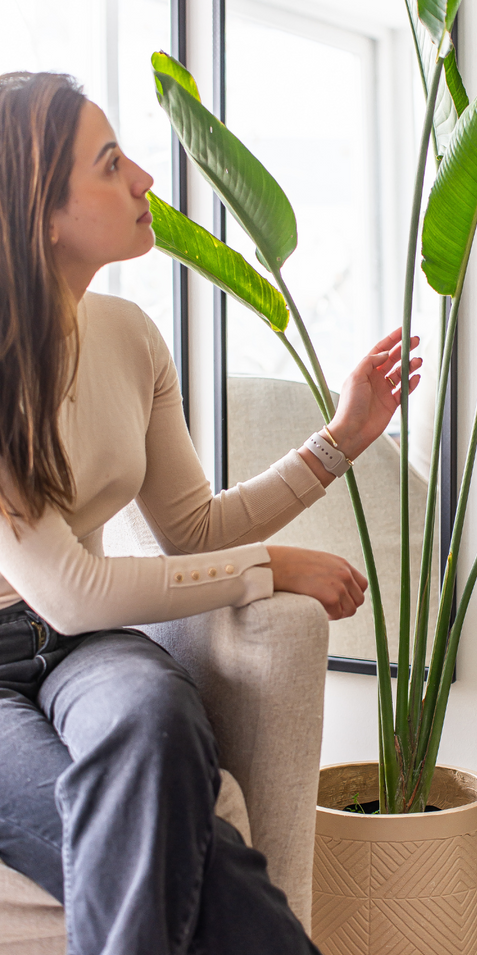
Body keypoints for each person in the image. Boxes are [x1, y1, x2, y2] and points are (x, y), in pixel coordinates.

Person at [0, 71, 421, 955]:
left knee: (155, 725)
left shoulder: (129, 337)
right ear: (40, 210)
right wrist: (273, 566)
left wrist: (341, 438)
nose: (146, 179)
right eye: (111, 164)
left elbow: (189, 528)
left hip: (86, 652)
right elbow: (71, 588)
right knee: (189, 850)